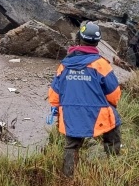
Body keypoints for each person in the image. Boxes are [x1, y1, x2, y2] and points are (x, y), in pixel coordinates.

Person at [48, 21, 121, 177]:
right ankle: (113, 167)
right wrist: (110, 106)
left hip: (71, 115)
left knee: (71, 145)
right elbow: (114, 94)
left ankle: (68, 177)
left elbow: (54, 95)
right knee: (113, 125)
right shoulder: (101, 65)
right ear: (97, 42)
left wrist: (58, 110)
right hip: (97, 115)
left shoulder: (64, 66)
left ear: (79, 39)